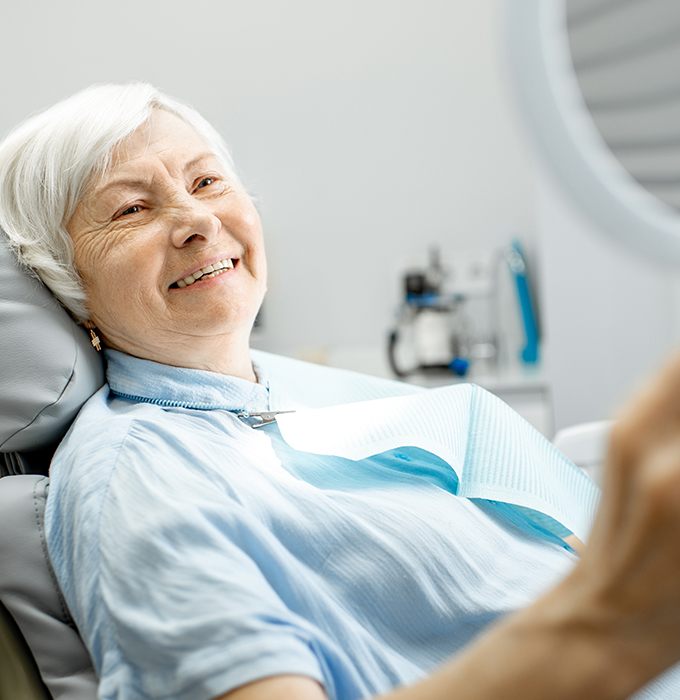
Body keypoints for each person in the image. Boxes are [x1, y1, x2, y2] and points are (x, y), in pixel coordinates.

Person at [1, 83, 680, 700]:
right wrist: (609, 624)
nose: (196, 221)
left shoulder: (280, 396)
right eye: (131, 208)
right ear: (68, 283)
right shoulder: (137, 475)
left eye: (207, 180)